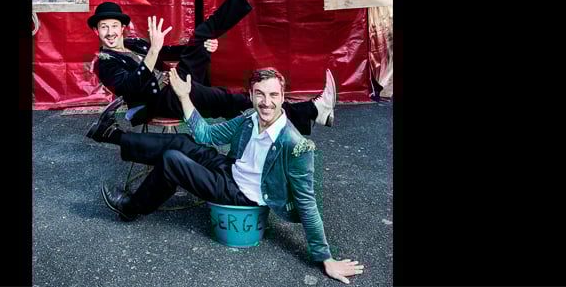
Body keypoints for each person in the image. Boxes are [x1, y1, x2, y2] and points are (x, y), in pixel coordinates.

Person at [87, 66, 365, 284]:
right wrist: (184, 96)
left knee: (172, 161)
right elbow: (205, 135)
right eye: (260, 94)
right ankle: (112, 135)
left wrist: (325, 257)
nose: (266, 103)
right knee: (183, 142)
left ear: (283, 97)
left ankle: (131, 207)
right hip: (231, 170)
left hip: (242, 194)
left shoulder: (295, 145)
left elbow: (307, 202)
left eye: (273, 95)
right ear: (251, 94)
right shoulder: (249, 119)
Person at [87, 0, 335, 135]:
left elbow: (170, 51)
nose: (110, 32)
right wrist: (153, 52)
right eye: (104, 27)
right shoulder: (104, 61)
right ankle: (311, 111)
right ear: (97, 31)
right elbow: (131, 87)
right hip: (159, 101)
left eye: (114, 26)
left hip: (176, 83)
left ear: (122, 28)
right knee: (231, 100)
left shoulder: (133, 44)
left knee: (202, 36)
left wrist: (200, 48)